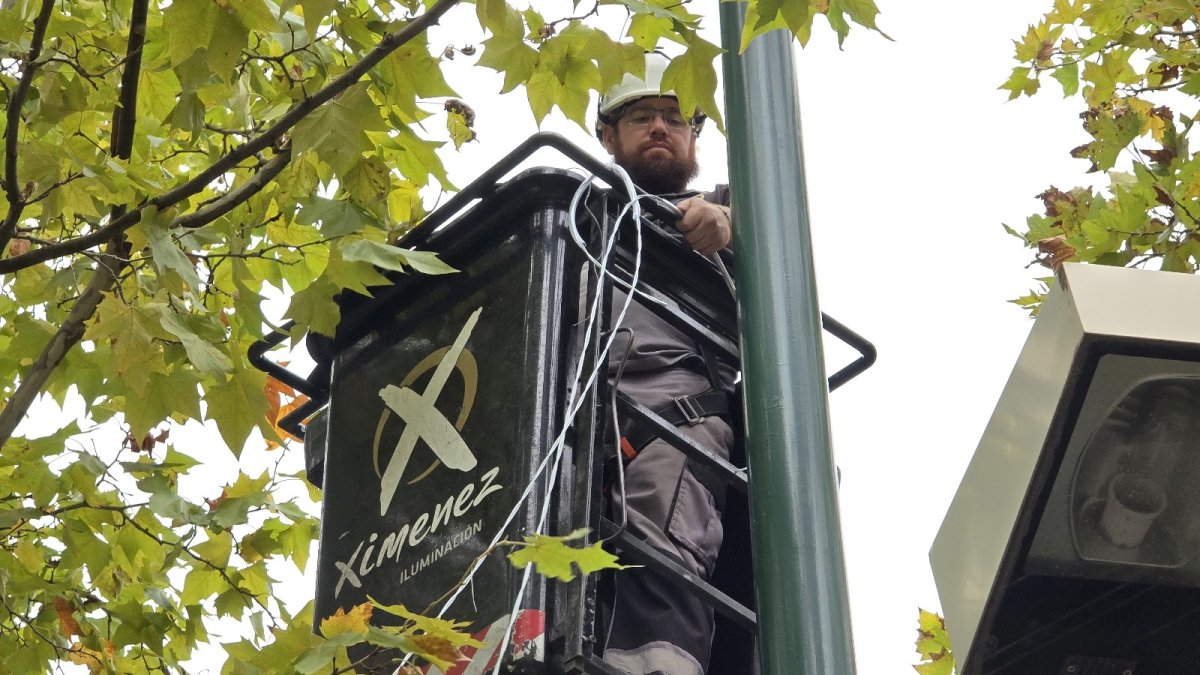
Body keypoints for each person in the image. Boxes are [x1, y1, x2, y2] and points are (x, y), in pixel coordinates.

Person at [593, 52, 736, 675]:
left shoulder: (731, 207)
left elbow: (786, 265)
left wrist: (727, 222)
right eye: (643, 117)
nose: (660, 127)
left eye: (675, 119)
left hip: (672, 409)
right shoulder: (576, 214)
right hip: (571, 418)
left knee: (659, 549)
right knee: (568, 570)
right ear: (608, 137)